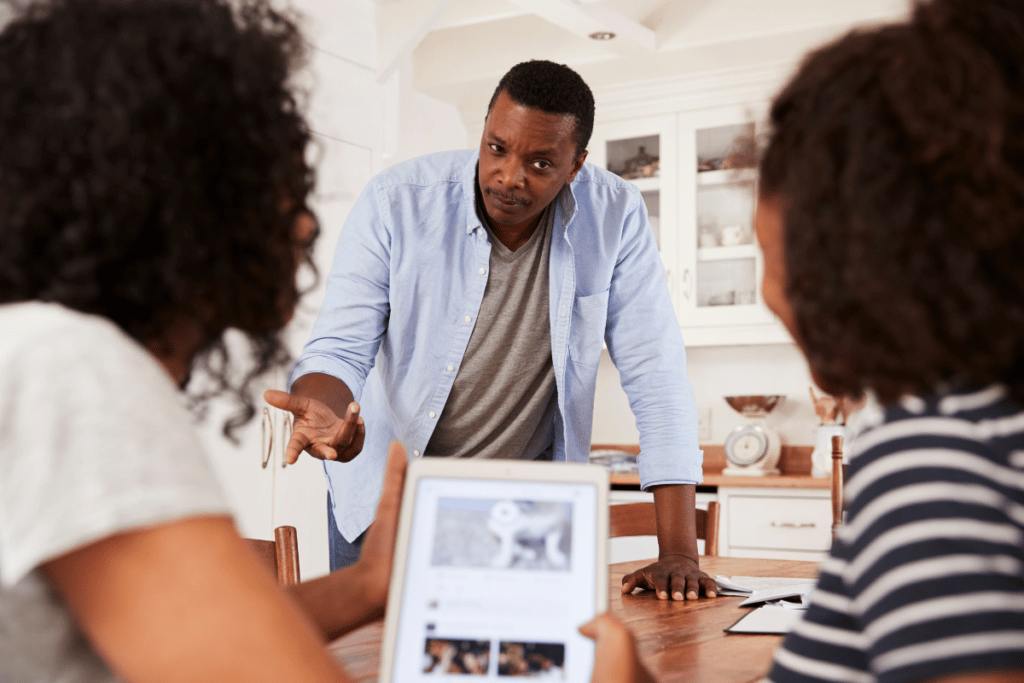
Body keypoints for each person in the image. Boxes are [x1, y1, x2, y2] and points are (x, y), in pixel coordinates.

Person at [582, 0, 1024, 681]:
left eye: (772, 256)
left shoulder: (935, 467)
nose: (767, 293)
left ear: (855, 255)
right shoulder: (987, 430)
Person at [0, 1, 406, 681]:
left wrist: (369, 583)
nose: (306, 224)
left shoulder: (35, 349)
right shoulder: (70, 367)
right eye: (273, 182)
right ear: (177, 192)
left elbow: (193, 640)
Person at [266, 59, 717, 600]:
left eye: (541, 163)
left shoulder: (614, 214)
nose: (509, 177)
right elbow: (339, 347)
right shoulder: (397, 202)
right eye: (497, 148)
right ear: (483, 132)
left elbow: (656, 375)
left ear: (577, 166)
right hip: (391, 501)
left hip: (523, 511)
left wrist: (679, 554)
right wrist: (326, 410)